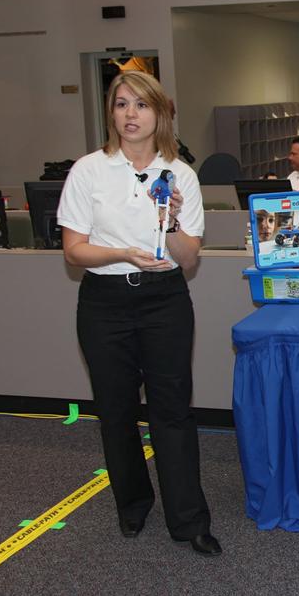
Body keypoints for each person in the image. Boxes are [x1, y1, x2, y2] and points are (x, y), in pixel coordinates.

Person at [57, 71, 221, 557]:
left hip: (165, 299)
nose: (131, 114)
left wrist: (170, 221)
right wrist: (124, 253)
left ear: (160, 113)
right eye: (121, 104)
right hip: (105, 303)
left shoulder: (182, 175)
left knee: (173, 411)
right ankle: (132, 505)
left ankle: (188, 520)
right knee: (116, 412)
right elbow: (74, 251)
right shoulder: (88, 170)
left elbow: (188, 258)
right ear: (111, 112)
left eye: (141, 105)